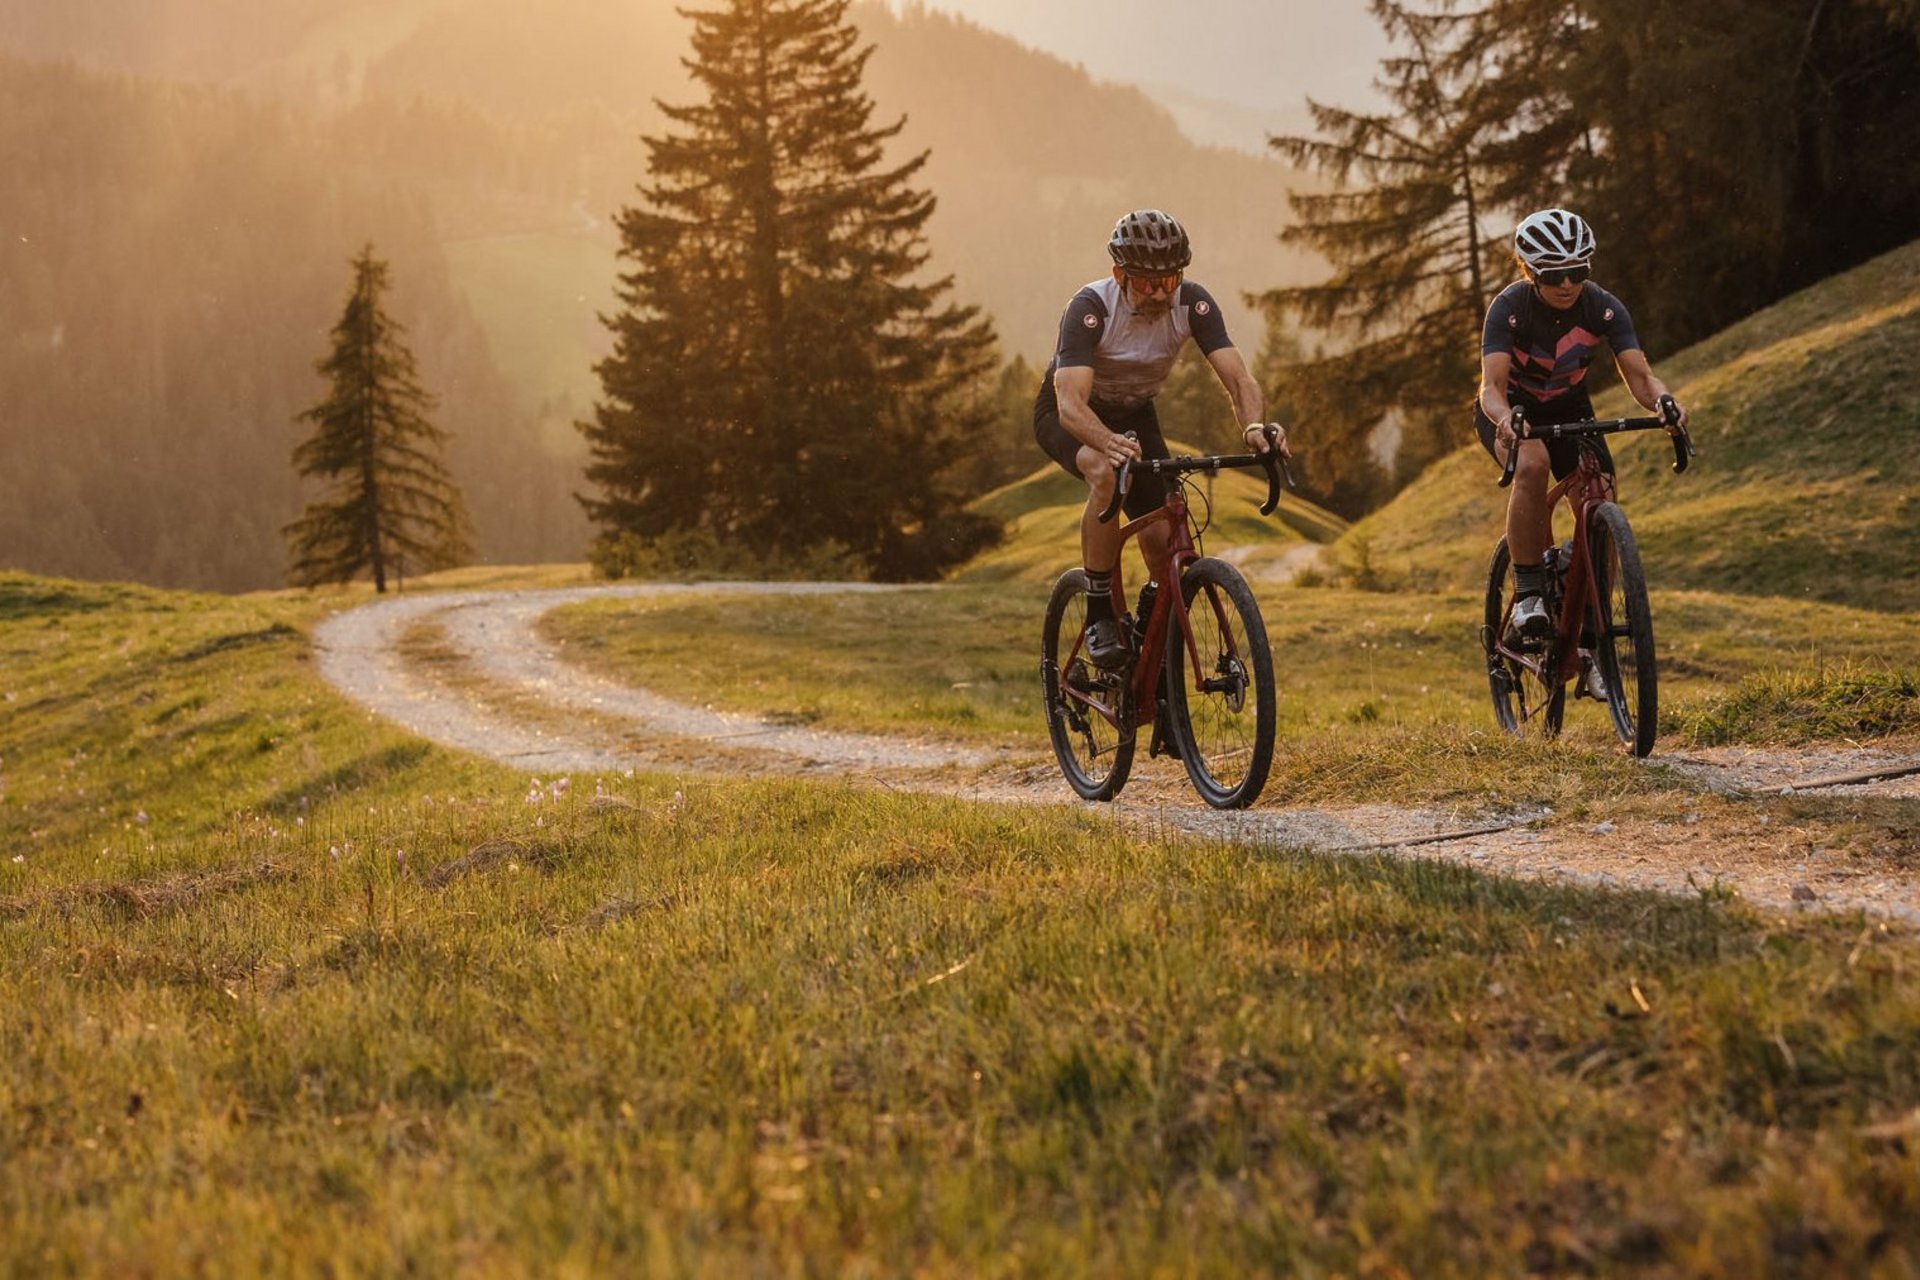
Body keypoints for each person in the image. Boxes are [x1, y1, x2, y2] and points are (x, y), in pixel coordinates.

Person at [1033, 208, 1286, 669]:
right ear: (1120, 275)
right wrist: (1105, 441)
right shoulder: (1091, 308)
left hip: (1135, 413)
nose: (1159, 293)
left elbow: (1239, 379)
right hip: (1070, 414)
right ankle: (1099, 614)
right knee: (1105, 473)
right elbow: (1069, 402)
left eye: (1168, 280)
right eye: (1147, 282)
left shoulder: (1193, 304)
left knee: (1161, 535)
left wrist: (1253, 427)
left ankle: (1154, 636)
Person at [1477, 207, 1689, 645]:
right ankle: (1529, 593)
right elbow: (1490, 387)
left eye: (1578, 272)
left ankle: (1591, 622)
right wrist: (1505, 419)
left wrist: (1665, 402)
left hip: (1569, 407)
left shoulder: (1602, 307)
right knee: (1533, 465)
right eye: (1554, 275)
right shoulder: (1509, 308)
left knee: (1601, 492)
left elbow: (1642, 378)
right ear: (1529, 271)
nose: (1567, 284)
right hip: (1512, 410)